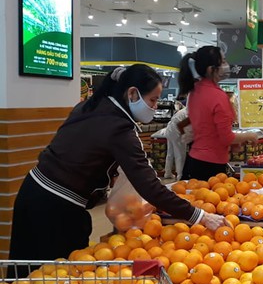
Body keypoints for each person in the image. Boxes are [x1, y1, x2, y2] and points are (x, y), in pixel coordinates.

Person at [9, 64, 227, 263]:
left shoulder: (90, 106)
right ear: (132, 93)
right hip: (55, 210)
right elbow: (150, 187)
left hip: (31, 192)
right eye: (152, 100)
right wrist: (201, 216)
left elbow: (81, 151)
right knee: (54, 277)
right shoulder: (119, 128)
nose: (155, 106)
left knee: (25, 272)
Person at [179, 46, 258, 180]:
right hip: (212, 165)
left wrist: (232, 144)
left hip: (194, 159)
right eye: (223, 62)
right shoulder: (218, 96)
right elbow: (226, 137)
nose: (226, 65)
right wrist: (250, 135)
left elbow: (207, 128)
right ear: (211, 69)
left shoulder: (194, 91)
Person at [163, 107, 193, 180]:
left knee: (170, 154)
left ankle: (167, 173)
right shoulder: (191, 112)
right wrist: (186, 136)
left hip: (169, 130)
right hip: (176, 132)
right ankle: (180, 175)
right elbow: (183, 125)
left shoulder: (184, 110)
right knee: (180, 155)